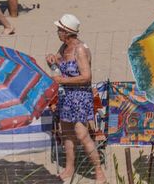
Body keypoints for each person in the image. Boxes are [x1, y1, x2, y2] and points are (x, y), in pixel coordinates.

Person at [46, 15, 107, 183]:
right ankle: (70, 167)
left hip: (80, 96)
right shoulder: (64, 47)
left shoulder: (80, 49)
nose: (57, 32)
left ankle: (98, 170)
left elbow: (86, 77)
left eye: (60, 30)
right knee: (66, 134)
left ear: (67, 32)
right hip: (66, 96)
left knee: (82, 135)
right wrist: (51, 60)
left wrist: (63, 81)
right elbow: (57, 65)